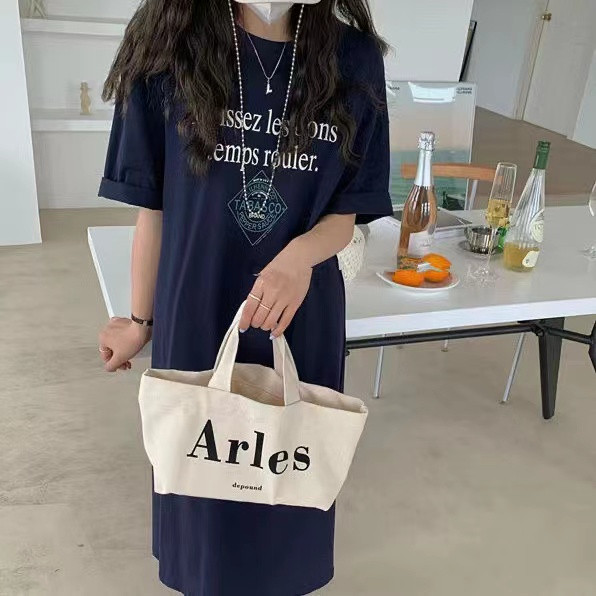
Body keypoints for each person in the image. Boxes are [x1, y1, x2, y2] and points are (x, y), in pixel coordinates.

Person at [97, 0, 391, 594]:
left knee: (289, 477)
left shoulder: (354, 58)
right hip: (197, 305)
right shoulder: (167, 44)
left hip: (300, 314)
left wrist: (298, 259)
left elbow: (348, 209)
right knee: (198, 482)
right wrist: (139, 320)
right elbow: (153, 209)